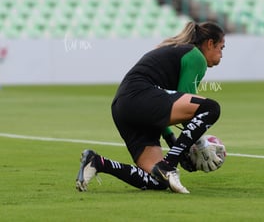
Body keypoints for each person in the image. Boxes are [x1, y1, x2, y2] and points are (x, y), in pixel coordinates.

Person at [75, 21, 226, 194]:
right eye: (221, 48)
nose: (221, 54)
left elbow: (162, 109)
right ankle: (168, 165)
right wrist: (199, 144)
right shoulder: (196, 56)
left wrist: (172, 141)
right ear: (209, 43)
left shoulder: (177, 50)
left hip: (124, 107)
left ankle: (97, 162)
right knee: (211, 108)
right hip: (140, 96)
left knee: (158, 181)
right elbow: (189, 105)